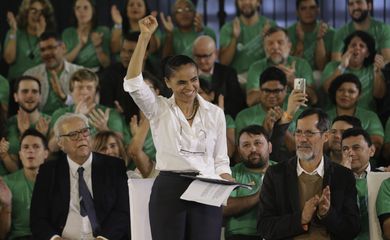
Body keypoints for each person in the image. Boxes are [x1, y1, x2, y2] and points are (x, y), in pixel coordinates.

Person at [123, 15, 232, 239]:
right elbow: (133, 81)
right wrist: (145, 37)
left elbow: (221, 159)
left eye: (193, 79)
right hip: (169, 189)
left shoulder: (215, 113)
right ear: (168, 83)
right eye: (181, 82)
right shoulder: (158, 107)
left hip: (207, 189)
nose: (189, 87)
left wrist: (226, 180)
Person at [258, 108, 360, 239]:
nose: (302, 139)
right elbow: (264, 227)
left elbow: (352, 228)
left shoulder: (343, 176)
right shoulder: (276, 174)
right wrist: (300, 218)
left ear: (326, 136)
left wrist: (327, 214)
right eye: (298, 132)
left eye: (309, 133)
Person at [30, 113, 130, 239]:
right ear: (60, 143)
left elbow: (123, 211)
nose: (81, 138)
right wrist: (55, 238)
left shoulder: (114, 166)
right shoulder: (48, 172)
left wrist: (103, 238)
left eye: (84, 131)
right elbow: (38, 218)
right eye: (73, 135)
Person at [49, 69, 130, 152]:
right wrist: (76, 118)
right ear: (71, 92)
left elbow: (122, 148)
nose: (84, 92)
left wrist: (104, 129)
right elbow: (52, 147)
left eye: (89, 88)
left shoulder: (110, 113)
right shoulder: (60, 114)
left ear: (96, 92)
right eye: (79, 87)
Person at [235, 66, 307, 155]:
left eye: (277, 91)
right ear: (260, 90)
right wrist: (264, 130)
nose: (272, 95)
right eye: (267, 91)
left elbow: (299, 151)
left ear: (285, 90)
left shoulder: (300, 115)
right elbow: (238, 156)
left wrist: (280, 124)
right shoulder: (243, 117)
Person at [223, 125, 275, 240]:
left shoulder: (282, 171)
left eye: (258, 143)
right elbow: (225, 207)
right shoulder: (231, 173)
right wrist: (260, 195)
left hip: (276, 233)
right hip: (240, 235)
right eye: (246, 145)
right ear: (239, 151)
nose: (253, 149)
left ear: (270, 147)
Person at [246, 26, 316, 107]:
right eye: (270, 43)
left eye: (280, 42)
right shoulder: (256, 67)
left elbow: (313, 99)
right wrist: (273, 85)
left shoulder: (302, 64)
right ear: (264, 47)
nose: (275, 47)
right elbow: (250, 101)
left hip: (298, 113)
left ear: (289, 46)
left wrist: (293, 81)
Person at [0, 128, 49, 239]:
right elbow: (1, 235)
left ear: (46, 153)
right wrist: (6, 206)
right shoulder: (6, 184)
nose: (30, 151)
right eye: (25, 147)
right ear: (20, 154)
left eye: (36, 146)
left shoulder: (57, 182)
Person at [99, 32, 157, 123]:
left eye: (131, 52)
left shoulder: (157, 73)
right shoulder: (110, 74)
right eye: (123, 50)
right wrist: (114, 112)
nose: (125, 55)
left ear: (145, 54)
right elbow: (106, 105)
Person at [322, 31, 386, 111]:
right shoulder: (332, 66)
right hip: (337, 114)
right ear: (346, 49)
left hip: (365, 114)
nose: (357, 48)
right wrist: (342, 66)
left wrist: (377, 73)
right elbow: (327, 89)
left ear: (367, 54)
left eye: (361, 46)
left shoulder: (373, 69)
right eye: (353, 45)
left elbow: (379, 95)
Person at [24, 32, 83, 115]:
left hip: (70, 121)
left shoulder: (79, 72)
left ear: (63, 47)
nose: (46, 53)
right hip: (40, 121)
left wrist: (64, 97)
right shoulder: (30, 74)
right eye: (42, 50)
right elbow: (24, 107)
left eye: (51, 47)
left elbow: (84, 104)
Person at [326, 73, 384, 157]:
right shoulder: (325, 116)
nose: (345, 94)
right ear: (335, 93)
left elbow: (377, 145)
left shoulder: (370, 117)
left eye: (351, 91)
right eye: (341, 90)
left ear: (359, 95)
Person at [219, 0, 276, 83]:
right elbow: (224, 62)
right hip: (236, 80)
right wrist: (234, 38)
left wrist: (268, 41)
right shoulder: (228, 28)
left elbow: (276, 60)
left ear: (259, 2)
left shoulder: (270, 25)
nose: (246, 2)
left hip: (264, 78)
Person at [192, 35, 246, 118]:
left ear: (216, 54)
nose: (202, 61)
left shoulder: (228, 73)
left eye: (206, 56)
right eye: (198, 56)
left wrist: (218, 112)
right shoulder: (187, 74)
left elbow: (237, 103)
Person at [3, 0, 57, 80]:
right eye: (33, 11)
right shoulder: (14, 32)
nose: (37, 15)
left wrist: (41, 37)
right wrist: (13, 31)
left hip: (39, 83)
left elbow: (52, 64)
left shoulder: (50, 38)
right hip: (16, 82)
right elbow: (9, 59)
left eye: (41, 12)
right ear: (26, 13)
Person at [6, 76, 51, 165]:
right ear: (16, 96)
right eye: (25, 91)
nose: (30, 95)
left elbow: (54, 160)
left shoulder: (51, 121)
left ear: (40, 97)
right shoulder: (7, 125)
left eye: (34, 91)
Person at [341, 127, 376, 240]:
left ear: (372, 151)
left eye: (356, 148)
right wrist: (342, 176)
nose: (350, 153)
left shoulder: (384, 176)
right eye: (345, 149)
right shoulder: (333, 179)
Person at [62, 0, 110, 70]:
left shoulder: (103, 31)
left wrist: (98, 47)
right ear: (74, 11)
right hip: (73, 73)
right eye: (78, 8)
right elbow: (63, 63)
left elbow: (106, 64)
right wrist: (80, 45)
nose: (81, 11)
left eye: (85, 8)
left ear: (93, 10)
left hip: (97, 73)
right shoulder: (67, 33)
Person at [287, 0, 334, 71]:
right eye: (303, 8)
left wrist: (319, 39)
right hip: (299, 77)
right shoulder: (287, 33)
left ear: (318, 10)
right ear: (297, 12)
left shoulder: (329, 32)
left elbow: (322, 68)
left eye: (312, 8)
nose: (308, 12)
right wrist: (300, 41)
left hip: (320, 78)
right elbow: (294, 68)